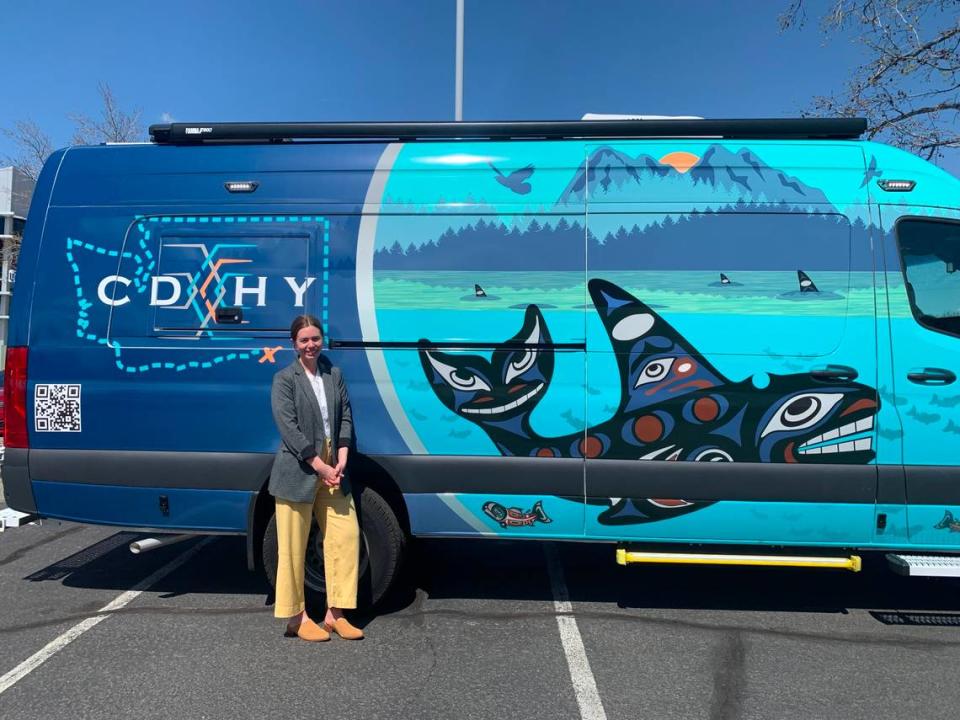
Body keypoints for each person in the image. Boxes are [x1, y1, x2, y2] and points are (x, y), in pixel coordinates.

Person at [269, 314, 363, 642]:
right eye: (304, 340)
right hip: (299, 469)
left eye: (315, 338)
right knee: (293, 548)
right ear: (294, 344)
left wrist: (342, 456)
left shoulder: (333, 374)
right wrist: (318, 465)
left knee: (346, 537)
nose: (311, 345)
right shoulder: (285, 379)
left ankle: (335, 615)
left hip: (333, 468)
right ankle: (297, 617)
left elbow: (346, 416)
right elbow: (288, 427)